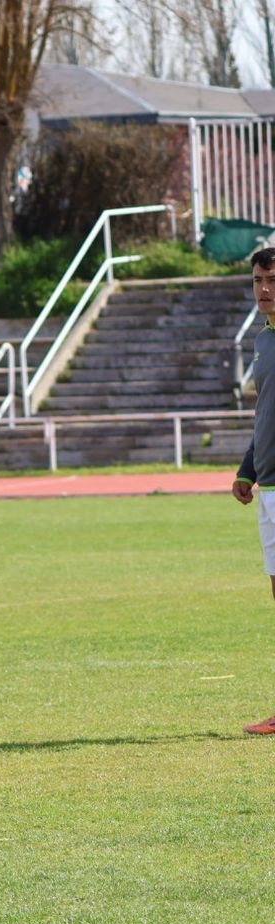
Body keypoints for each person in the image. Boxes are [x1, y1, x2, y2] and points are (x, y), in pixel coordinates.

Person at [235, 248, 275, 734]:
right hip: (268, 488)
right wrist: (247, 468)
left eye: (273, 279)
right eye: (258, 280)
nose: (264, 289)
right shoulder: (263, 342)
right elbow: (265, 414)